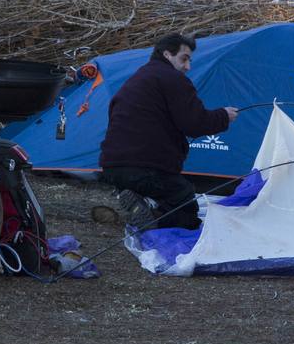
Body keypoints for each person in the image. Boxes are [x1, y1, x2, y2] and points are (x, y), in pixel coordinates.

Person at [99, 32, 238, 231]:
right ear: (167, 55)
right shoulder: (172, 79)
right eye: (184, 59)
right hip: (144, 166)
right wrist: (223, 116)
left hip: (112, 166)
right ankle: (153, 219)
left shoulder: (139, 77)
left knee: (166, 191)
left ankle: (140, 203)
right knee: (185, 208)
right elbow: (194, 123)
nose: (188, 67)